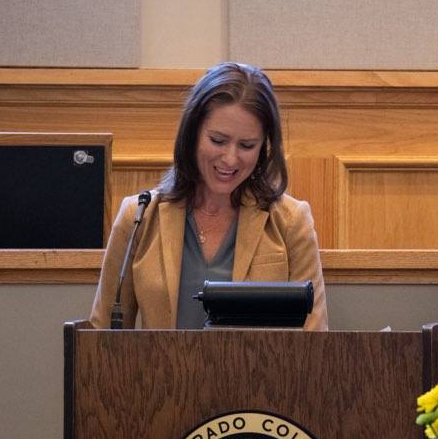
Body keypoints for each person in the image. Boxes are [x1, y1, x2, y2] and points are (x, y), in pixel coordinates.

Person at [91, 62, 327, 330]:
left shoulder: (291, 221)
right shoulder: (138, 216)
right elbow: (102, 337)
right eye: (217, 140)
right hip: (160, 373)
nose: (230, 158)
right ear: (192, 135)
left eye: (247, 145)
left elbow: (314, 340)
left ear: (264, 147)